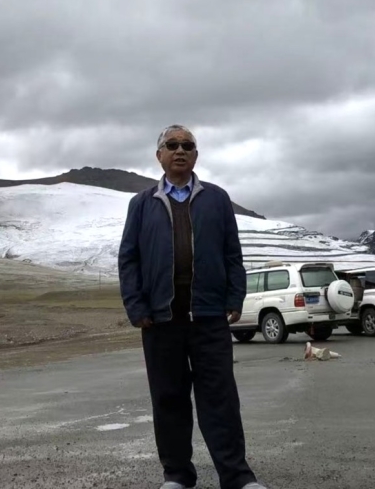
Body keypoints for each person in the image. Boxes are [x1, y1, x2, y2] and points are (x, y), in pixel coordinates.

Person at [118, 125, 267, 489]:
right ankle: (178, 476)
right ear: (160, 155)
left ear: (196, 155)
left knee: (220, 398)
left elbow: (232, 254)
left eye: (187, 145)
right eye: (172, 145)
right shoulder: (141, 204)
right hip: (160, 320)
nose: (180, 150)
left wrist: (234, 297)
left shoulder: (217, 199)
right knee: (168, 398)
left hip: (209, 317)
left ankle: (237, 477)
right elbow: (129, 259)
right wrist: (137, 307)